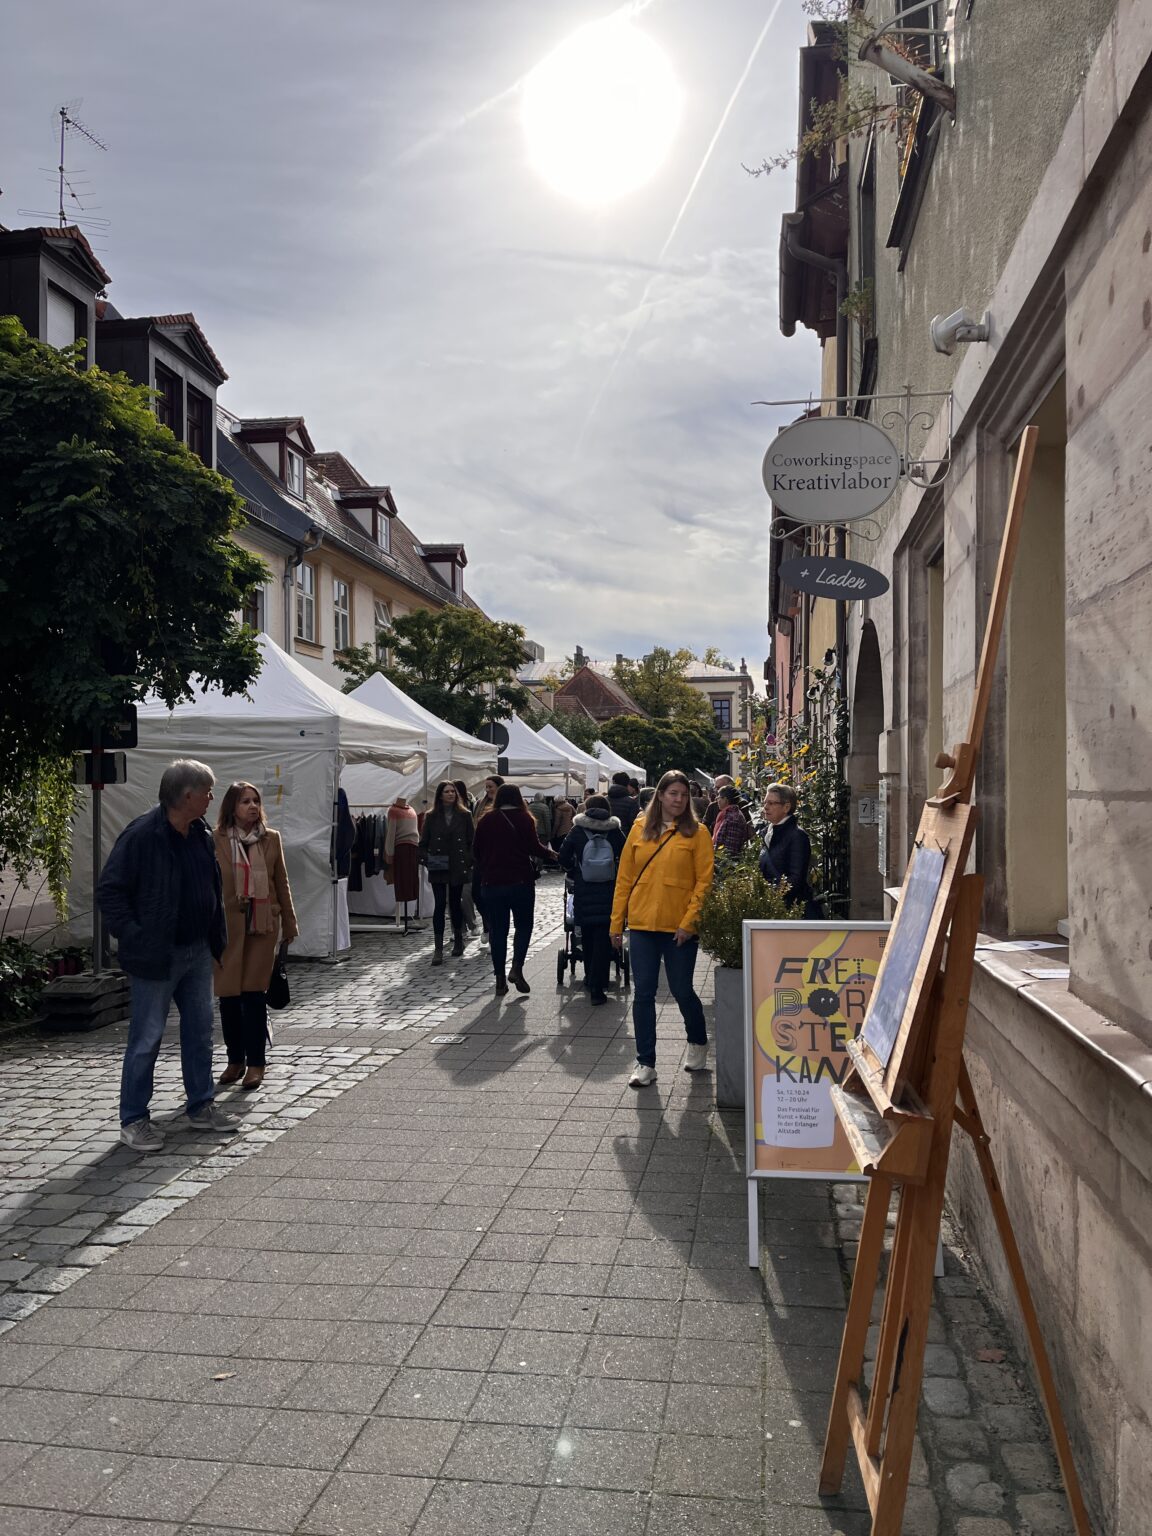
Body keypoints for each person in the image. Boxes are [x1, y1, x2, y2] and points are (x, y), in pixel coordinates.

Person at [97, 759, 237, 1150]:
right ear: (187, 795)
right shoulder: (143, 835)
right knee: (147, 1037)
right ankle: (134, 1119)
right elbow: (110, 891)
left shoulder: (200, 832)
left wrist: (214, 935)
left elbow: (209, 884)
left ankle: (200, 1105)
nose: (212, 798)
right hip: (157, 955)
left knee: (200, 1033)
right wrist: (134, 935)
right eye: (208, 791)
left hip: (195, 951)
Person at [610, 769, 715, 1088]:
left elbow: (705, 882)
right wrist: (617, 922)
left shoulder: (698, 833)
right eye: (673, 794)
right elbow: (625, 877)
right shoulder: (640, 828)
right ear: (661, 796)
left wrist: (689, 922)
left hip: (679, 928)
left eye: (684, 795)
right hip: (642, 923)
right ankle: (646, 1063)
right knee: (643, 994)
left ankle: (698, 1041)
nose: (679, 800)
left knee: (682, 990)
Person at [213, 781, 299, 1091]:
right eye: (244, 801)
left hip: (262, 926)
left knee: (252, 995)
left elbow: (281, 883)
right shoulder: (216, 839)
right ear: (231, 807)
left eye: (255, 801)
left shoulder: (271, 839)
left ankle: (256, 1063)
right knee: (228, 997)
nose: (252, 806)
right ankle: (234, 1059)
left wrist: (289, 924)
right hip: (228, 928)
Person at [473, 783, 558, 995]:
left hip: (492, 883)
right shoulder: (525, 818)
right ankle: (517, 967)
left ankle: (499, 978)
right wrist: (551, 855)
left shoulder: (486, 820)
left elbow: (475, 851)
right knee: (523, 926)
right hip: (520, 881)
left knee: (498, 930)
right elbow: (533, 847)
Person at [558, 793, 626, 1005]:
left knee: (586, 936)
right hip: (609, 891)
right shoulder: (614, 831)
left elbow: (563, 857)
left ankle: (590, 978)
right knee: (603, 938)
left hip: (584, 891)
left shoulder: (577, 830)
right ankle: (599, 985)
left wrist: (575, 871)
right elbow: (626, 857)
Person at [419, 780, 475, 964]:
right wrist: (428, 860)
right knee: (439, 905)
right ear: (440, 795)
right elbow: (423, 843)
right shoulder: (432, 816)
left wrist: (468, 861)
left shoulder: (464, 815)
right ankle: (438, 948)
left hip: (458, 864)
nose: (451, 794)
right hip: (439, 862)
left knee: (455, 903)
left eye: (453, 791)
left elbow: (471, 841)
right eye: (447, 791)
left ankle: (458, 940)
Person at [760, 782, 821, 918]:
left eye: (771, 803)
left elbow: (795, 879)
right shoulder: (767, 833)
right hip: (771, 909)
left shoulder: (797, 836)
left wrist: (771, 896)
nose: (765, 807)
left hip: (791, 911)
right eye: (765, 802)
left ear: (786, 807)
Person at [471, 775, 504, 943]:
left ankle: (494, 928)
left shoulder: (505, 807)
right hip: (480, 856)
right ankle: (488, 922)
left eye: (491, 786)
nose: (488, 790)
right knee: (476, 893)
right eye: (487, 787)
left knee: (493, 895)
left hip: (498, 857)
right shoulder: (480, 805)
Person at [712, 785, 751, 858]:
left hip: (726, 865)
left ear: (725, 799)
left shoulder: (733, 818)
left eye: (718, 797)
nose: (717, 800)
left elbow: (731, 851)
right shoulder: (728, 814)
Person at [607, 770, 640, 835]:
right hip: (624, 838)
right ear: (627, 784)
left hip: (605, 837)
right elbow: (633, 825)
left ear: (613, 782)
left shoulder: (604, 800)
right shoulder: (632, 802)